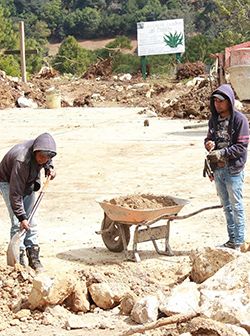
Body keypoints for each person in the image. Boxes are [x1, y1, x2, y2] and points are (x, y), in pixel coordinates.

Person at [0, 133, 57, 271]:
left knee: (31, 221)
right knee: (17, 222)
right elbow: (15, 194)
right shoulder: (21, 160)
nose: (43, 160)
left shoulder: (43, 151)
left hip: (28, 181)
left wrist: (49, 168)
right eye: (41, 157)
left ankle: (33, 257)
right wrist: (21, 217)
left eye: (47, 158)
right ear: (35, 152)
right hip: (8, 181)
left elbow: (47, 158)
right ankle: (18, 260)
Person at [204, 84, 249, 251]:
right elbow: (209, 138)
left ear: (229, 101)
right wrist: (209, 144)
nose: (218, 104)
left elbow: (241, 147)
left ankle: (239, 242)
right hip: (219, 170)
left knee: (236, 206)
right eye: (215, 101)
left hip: (233, 170)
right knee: (227, 206)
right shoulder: (214, 120)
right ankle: (232, 240)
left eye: (221, 101)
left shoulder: (239, 120)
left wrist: (222, 153)